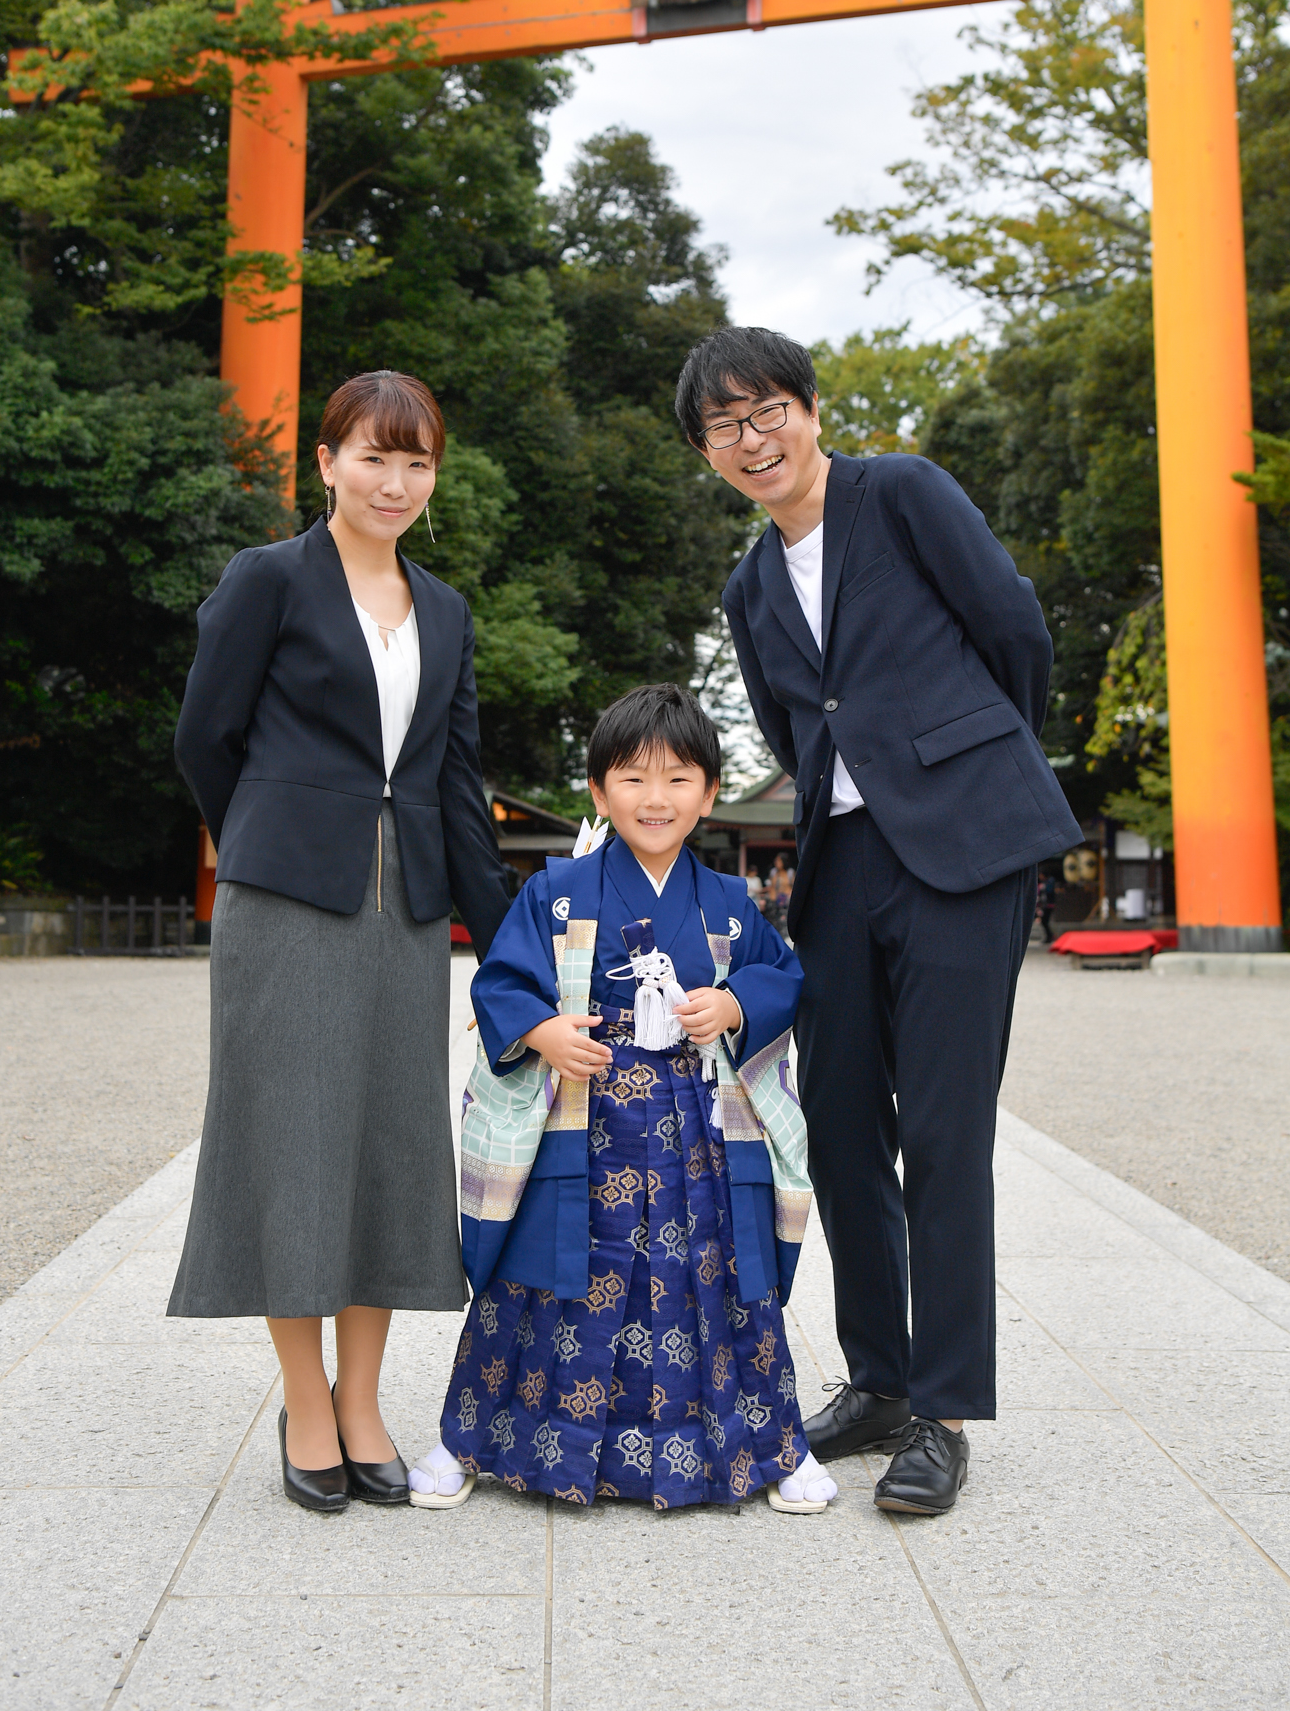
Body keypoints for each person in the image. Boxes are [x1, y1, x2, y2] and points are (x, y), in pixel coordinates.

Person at [675, 327, 1081, 1516]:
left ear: (807, 407)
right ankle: (883, 1379)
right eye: (721, 428)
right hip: (841, 865)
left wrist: (969, 764)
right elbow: (793, 728)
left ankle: (946, 1412)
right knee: (842, 1125)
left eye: (765, 413)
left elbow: (1013, 631)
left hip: (963, 848)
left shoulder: (899, 492)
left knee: (946, 1131)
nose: (751, 441)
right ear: (706, 453)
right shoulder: (749, 585)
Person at [169, 369, 510, 1514]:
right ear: (326, 462)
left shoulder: (448, 608)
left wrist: (507, 946)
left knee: (387, 1149)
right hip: (286, 905)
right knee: (294, 1147)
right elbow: (206, 736)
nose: (396, 480)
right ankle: (304, 1401)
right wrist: (274, 831)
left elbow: (457, 783)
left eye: (417, 462)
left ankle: (364, 1400)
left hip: (405, 911)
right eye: (375, 455)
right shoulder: (267, 578)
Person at [407, 683, 839, 1514]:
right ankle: (474, 1437)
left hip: (695, 1134)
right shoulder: (556, 890)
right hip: (581, 1121)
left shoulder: (728, 901)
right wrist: (541, 1033)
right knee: (543, 1278)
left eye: (678, 778)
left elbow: (781, 975)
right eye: (633, 778)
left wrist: (736, 1004)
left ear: (710, 795)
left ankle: (772, 1445)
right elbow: (502, 979)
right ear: (599, 792)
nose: (655, 797)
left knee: (717, 1282)